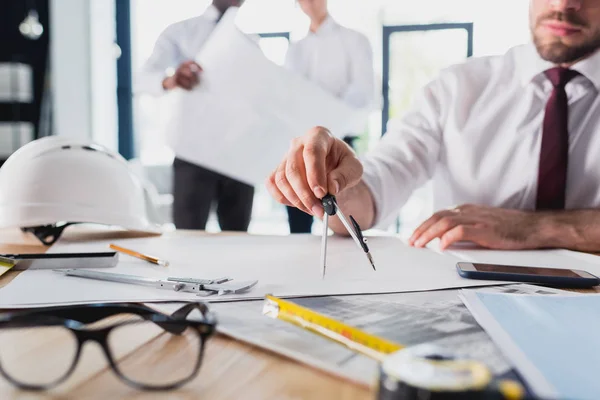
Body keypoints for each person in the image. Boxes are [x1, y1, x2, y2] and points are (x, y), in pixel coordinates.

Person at [267, 0, 600, 252]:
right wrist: (336, 183)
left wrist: (542, 227)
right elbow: (379, 183)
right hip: (465, 301)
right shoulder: (457, 87)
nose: (564, 3)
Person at [135, 0, 254, 232]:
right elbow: (143, 79)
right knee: (188, 237)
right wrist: (171, 79)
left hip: (238, 154)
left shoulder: (249, 42)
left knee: (239, 240)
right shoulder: (181, 32)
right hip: (194, 152)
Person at [283, 0, 375, 234]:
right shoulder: (296, 49)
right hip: (300, 144)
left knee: (342, 221)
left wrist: (321, 114)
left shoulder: (354, 41)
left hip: (338, 142)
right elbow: (289, 96)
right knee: (299, 221)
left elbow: (363, 93)